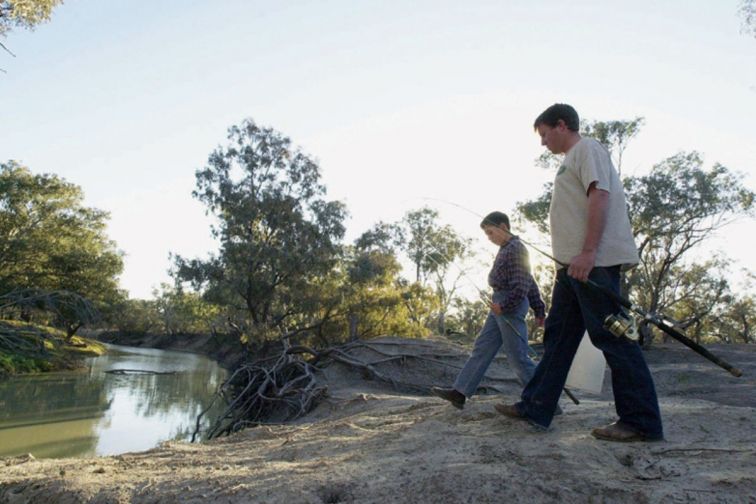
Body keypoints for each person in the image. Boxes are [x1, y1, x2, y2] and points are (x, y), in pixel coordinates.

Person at [495, 103, 664, 442]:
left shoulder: (587, 148)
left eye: (544, 134)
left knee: (612, 337)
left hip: (592, 265)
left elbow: (599, 195)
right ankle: (537, 405)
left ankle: (640, 421)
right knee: (558, 337)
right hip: (571, 268)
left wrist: (588, 253)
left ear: (562, 125)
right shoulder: (569, 161)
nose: (543, 143)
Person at [431, 211, 546, 409]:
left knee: (517, 356)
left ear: (503, 227)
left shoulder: (516, 248)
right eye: (486, 234)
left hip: (509, 304)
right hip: (500, 303)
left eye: (490, 232)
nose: (489, 238)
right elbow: (530, 279)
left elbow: (522, 284)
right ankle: (460, 392)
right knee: (482, 347)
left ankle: (543, 400)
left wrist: (508, 306)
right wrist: (538, 308)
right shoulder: (506, 249)